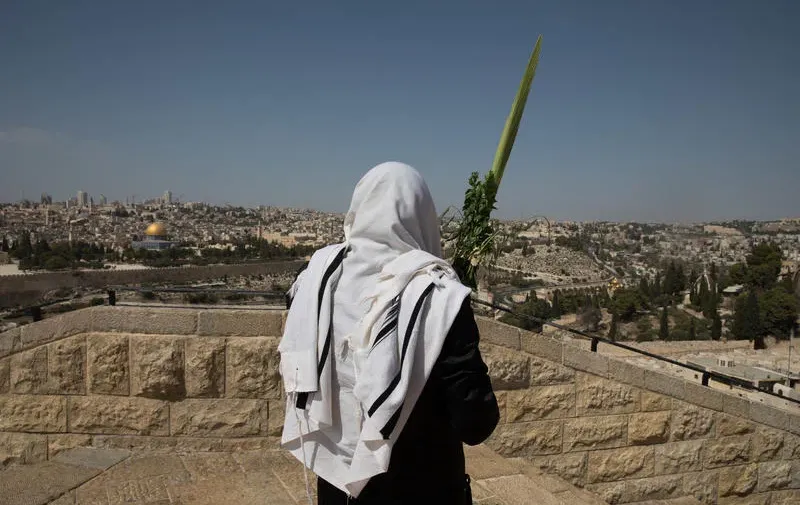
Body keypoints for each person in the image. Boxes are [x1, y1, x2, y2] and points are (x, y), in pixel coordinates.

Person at [279, 162, 499, 505]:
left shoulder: (316, 280)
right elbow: (476, 422)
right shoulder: (439, 299)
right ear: (424, 216)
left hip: (338, 484)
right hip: (423, 486)